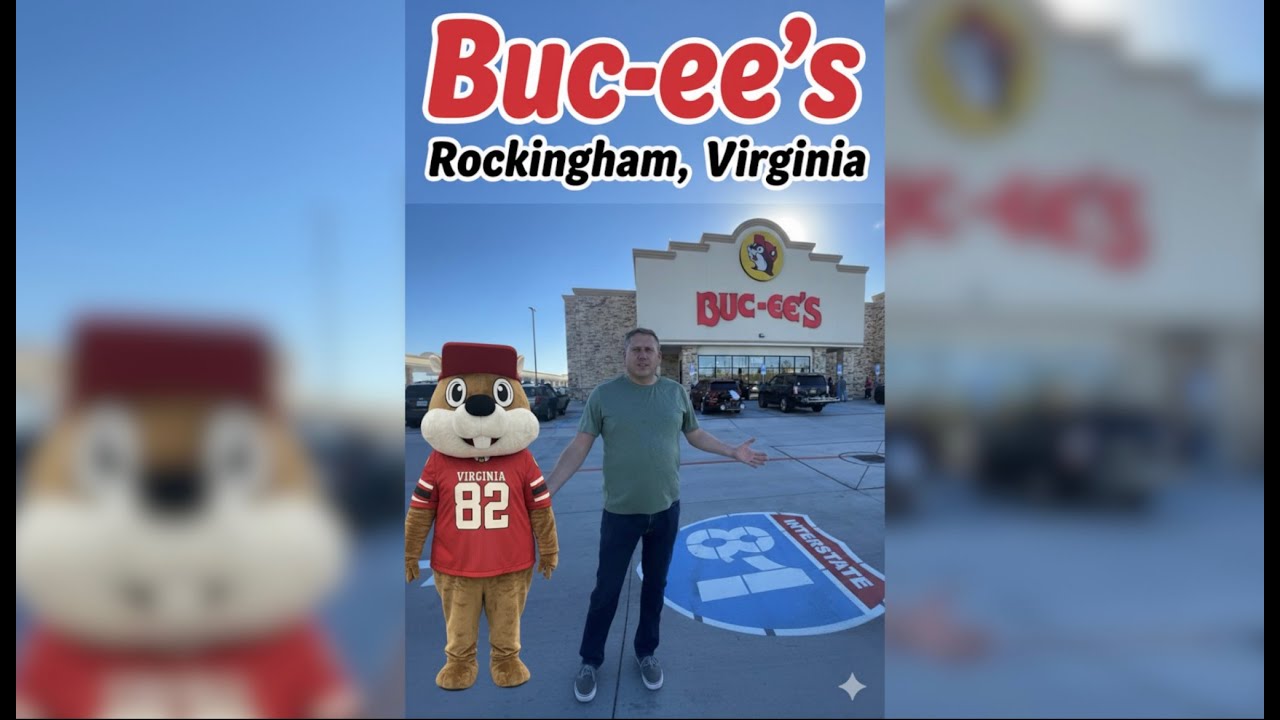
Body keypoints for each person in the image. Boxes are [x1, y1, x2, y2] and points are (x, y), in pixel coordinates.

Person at [544, 328, 767, 703]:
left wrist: (732, 451)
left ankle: (646, 652)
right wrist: (547, 489)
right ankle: (590, 660)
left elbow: (694, 435)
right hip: (620, 514)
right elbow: (578, 447)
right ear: (625, 355)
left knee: (655, 587)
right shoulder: (604, 396)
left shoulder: (675, 393)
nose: (644, 355)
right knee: (606, 592)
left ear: (659, 355)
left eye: (650, 350)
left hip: (666, 510)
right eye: (637, 350)